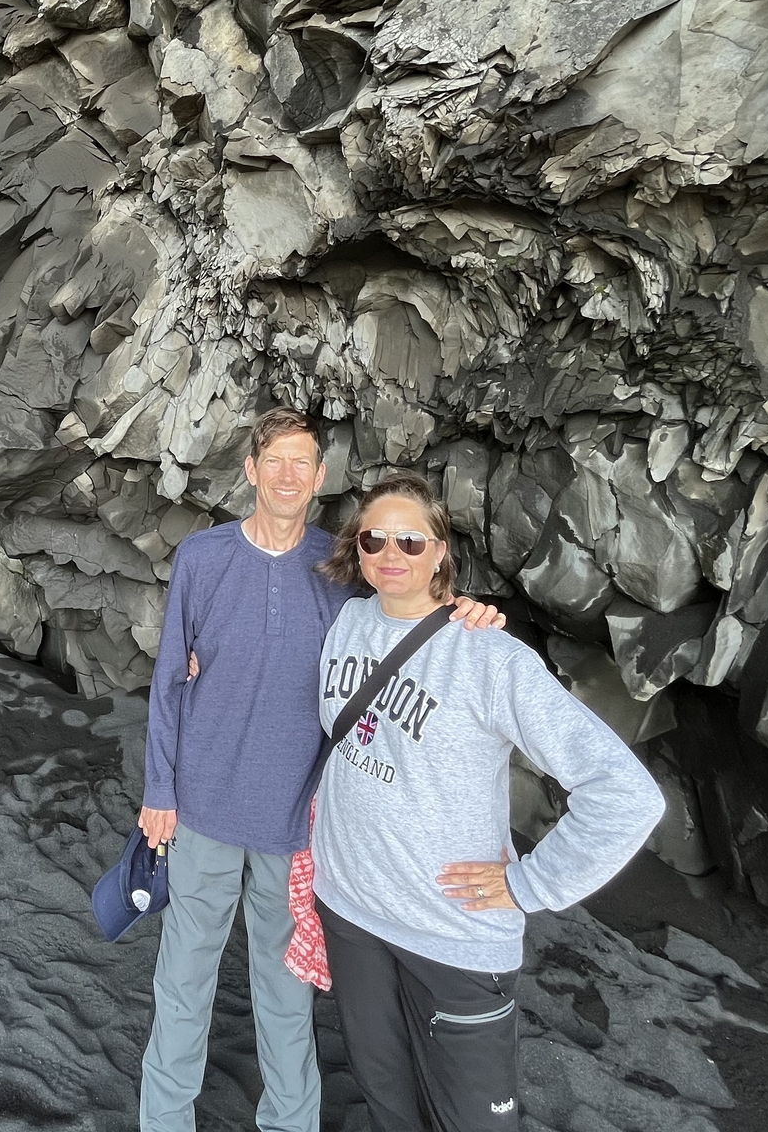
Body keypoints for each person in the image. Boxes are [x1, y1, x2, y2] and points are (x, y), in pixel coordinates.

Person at [137, 410, 505, 1132]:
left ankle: (290, 1124)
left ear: (319, 477)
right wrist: (159, 790)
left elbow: (405, 606)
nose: (287, 475)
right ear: (251, 470)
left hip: (296, 822)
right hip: (201, 809)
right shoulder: (202, 559)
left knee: (285, 996)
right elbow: (169, 681)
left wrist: (465, 610)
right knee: (182, 984)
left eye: (300, 462)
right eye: (273, 460)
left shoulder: (339, 568)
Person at [310, 471, 664, 1132]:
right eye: (373, 539)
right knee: (387, 1101)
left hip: (451, 936)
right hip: (350, 912)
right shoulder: (348, 621)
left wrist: (530, 884)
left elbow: (625, 794)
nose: (390, 554)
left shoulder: (490, 658)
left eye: (411, 542)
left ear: (441, 552)